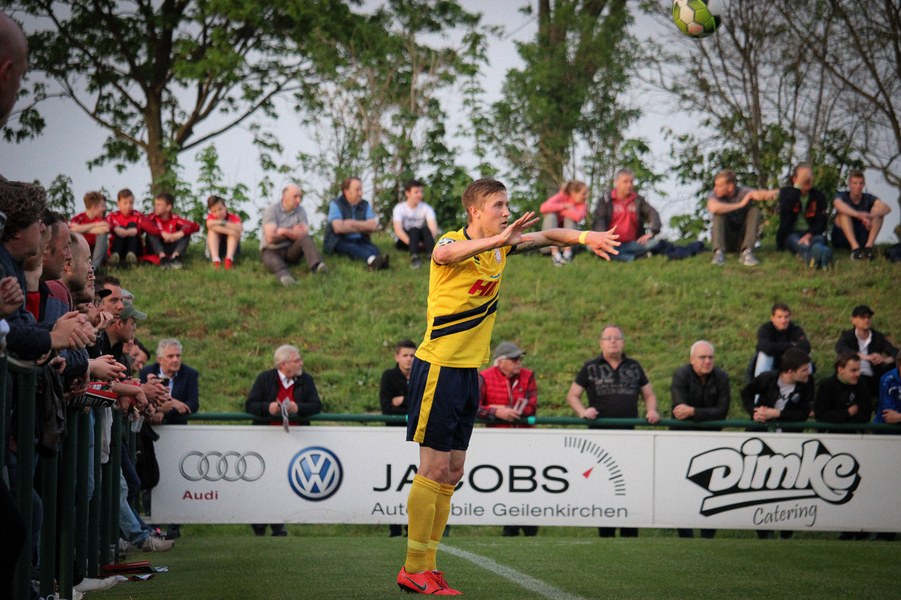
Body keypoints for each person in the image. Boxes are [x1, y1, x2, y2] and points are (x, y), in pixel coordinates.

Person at [397, 177, 619, 595]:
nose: (506, 211)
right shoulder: (453, 240)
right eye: (498, 205)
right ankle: (413, 566)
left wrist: (586, 237)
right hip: (439, 367)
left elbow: (550, 235)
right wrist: (499, 240)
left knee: (453, 471)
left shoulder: (502, 246)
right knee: (432, 468)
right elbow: (443, 254)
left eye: (506, 204)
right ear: (474, 211)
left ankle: (429, 565)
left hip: (468, 372)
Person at [566, 324, 659, 538]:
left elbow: (649, 394)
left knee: (628, 484)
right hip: (600, 438)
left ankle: (629, 531)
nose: (613, 342)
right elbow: (572, 395)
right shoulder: (590, 367)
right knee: (603, 484)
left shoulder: (634, 366)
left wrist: (652, 410)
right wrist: (583, 411)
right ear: (601, 343)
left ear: (623, 342)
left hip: (628, 437)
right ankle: (605, 532)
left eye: (617, 338)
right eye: (608, 338)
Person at [245, 344, 322, 536]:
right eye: (297, 360)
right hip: (267, 440)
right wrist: (268, 408)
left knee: (283, 483)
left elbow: (316, 405)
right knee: (265, 482)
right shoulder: (265, 379)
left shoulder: (305, 380)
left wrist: (299, 408)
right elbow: (250, 405)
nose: (301, 363)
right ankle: (260, 521)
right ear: (283, 364)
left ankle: (277, 522)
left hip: (295, 441)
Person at [741, 348, 813, 539]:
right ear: (789, 371)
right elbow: (746, 392)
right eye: (804, 370)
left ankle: (786, 533)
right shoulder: (767, 378)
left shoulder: (807, 384)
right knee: (761, 486)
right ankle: (764, 532)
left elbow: (803, 413)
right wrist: (755, 412)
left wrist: (777, 414)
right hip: (763, 441)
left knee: (790, 487)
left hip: (790, 443)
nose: (808, 373)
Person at [670, 340, 730, 539]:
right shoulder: (681, 374)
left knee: (712, 489)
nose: (707, 361)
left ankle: (708, 536)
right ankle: (685, 536)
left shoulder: (721, 377)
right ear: (692, 360)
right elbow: (680, 409)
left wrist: (694, 411)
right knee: (682, 490)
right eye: (702, 357)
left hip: (711, 443)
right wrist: (703, 413)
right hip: (682, 442)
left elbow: (722, 412)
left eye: (710, 357)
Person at [478, 340, 538, 537]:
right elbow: (474, 407)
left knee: (526, 483)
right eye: (514, 359)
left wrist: (507, 411)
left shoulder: (528, 376)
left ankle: (530, 527)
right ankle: (509, 527)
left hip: (525, 440)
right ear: (500, 361)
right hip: (498, 441)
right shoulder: (484, 377)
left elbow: (531, 406)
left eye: (519, 359)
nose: (518, 362)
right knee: (505, 483)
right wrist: (496, 412)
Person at [380, 339, 416, 537]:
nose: (409, 359)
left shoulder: (421, 376)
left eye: (412, 355)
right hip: (394, 437)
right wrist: (411, 404)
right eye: (405, 355)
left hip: (417, 437)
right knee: (395, 482)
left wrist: (402, 400)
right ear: (397, 357)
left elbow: (424, 403)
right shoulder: (389, 376)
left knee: (416, 481)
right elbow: (386, 407)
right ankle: (394, 527)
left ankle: (414, 526)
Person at [707, 169, 778, 266]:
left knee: (755, 210)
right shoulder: (714, 195)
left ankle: (747, 252)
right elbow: (713, 207)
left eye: (719, 186)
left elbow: (756, 194)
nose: (715, 189)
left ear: (730, 187)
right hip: (726, 238)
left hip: (741, 238)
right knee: (718, 213)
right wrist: (740, 205)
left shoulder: (743, 192)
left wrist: (769, 193)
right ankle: (718, 253)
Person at [260, 183, 327, 286]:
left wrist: (285, 231)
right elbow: (270, 238)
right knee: (276, 263)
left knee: (306, 239)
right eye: (295, 197)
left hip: (291, 249)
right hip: (271, 250)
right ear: (284, 197)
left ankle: (317, 266)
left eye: (300, 197)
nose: (298, 200)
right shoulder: (272, 210)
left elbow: (304, 233)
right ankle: (286, 278)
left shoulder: (301, 211)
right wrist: (293, 231)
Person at [592, 169, 661, 262]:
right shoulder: (606, 200)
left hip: (633, 243)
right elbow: (599, 220)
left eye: (631, 182)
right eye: (625, 182)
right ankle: (634, 257)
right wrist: (604, 240)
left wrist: (652, 232)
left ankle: (623, 256)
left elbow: (652, 213)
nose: (629, 185)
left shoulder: (638, 200)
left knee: (653, 243)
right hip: (611, 242)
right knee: (595, 247)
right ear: (616, 182)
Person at [324, 176, 389, 270]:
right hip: (339, 240)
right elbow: (338, 228)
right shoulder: (335, 204)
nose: (360, 193)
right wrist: (363, 226)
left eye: (361, 189)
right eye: (357, 190)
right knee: (352, 248)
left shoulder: (365, 204)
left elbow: (373, 226)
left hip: (360, 239)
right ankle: (372, 261)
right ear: (346, 191)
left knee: (373, 249)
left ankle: (377, 261)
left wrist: (351, 223)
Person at [775, 163, 831, 269]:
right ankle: (815, 258)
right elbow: (786, 209)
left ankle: (820, 254)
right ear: (794, 179)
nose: (807, 179)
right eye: (804, 176)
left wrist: (809, 235)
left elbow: (822, 222)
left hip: (812, 232)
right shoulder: (786, 193)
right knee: (799, 244)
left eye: (809, 176)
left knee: (818, 241)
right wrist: (797, 188)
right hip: (792, 233)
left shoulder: (818, 195)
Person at [835, 305, 897, 397]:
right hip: (855, 375)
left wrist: (884, 360)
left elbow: (895, 351)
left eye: (869, 317)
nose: (867, 320)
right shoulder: (848, 336)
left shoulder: (877, 337)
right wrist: (864, 357)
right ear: (853, 320)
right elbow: (840, 347)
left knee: (895, 365)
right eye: (862, 318)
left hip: (874, 375)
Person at [832, 170, 892, 260]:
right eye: (855, 183)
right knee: (843, 214)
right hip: (842, 239)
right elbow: (838, 204)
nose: (858, 186)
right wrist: (859, 215)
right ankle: (855, 250)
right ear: (849, 184)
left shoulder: (868, 198)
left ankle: (868, 249)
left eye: (860, 183)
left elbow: (886, 208)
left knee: (878, 212)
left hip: (862, 236)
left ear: (864, 184)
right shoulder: (842, 195)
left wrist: (870, 216)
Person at [814, 353, 871, 434]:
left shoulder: (862, 384)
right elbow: (820, 415)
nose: (858, 374)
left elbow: (866, 415)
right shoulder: (826, 386)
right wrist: (847, 412)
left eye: (859, 370)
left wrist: (838, 416)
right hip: (829, 436)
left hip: (855, 435)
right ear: (840, 370)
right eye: (853, 370)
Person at [752, 303, 812, 378]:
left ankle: (806, 381)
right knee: (764, 355)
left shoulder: (795, 329)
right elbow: (765, 347)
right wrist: (791, 346)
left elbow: (806, 346)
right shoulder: (765, 329)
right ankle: (760, 383)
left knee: (804, 354)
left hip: (790, 364)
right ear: (772, 318)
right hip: (772, 363)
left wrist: (779, 348)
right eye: (779, 317)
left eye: (786, 317)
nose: (783, 321)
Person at [393, 179, 440, 269]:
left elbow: (433, 229)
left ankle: (432, 256)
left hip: (421, 239)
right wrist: (413, 243)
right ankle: (414, 257)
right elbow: (398, 230)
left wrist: (425, 242)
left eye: (421, 192)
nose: (420, 195)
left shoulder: (426, 208)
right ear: (407, 193)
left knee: (425, 229)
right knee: (414, 230)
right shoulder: (399, 208)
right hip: (406, 241)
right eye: (416, 192)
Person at [144, 192, 199, 268]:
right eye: (155, 204)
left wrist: (177, 235)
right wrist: (161, 233)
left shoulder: (174, 218)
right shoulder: (152, 217)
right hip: (156, 248)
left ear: (168, 207)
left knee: (186, 233)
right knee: (150, 233)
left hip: (171, 247)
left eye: (159, 205)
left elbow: (194, 226)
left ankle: (175, 257)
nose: (155, 207)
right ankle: (163, 258)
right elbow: (144, 224)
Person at [540, 180, 588, 265]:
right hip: (549, 243)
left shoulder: (582, 204)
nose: (586, 196)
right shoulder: (560, 197)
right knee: (550, 216)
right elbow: (543, 208)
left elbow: (578, 217)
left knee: (569, 218)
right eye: (583, 194)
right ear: (573, 193)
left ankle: (567, 253)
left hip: (568, 243)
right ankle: (555, 253)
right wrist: (564, 206)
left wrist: (559, 211)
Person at [106, 188, 151, 267]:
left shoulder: (137, 215)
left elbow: (148, 226)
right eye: (125, 203)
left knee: (132, 225)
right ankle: (115, 257)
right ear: (118, 204)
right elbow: (105, 225)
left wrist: (136, 230)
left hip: (135, 247)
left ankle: (131, 256)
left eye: (131, 203)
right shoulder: (112, 216)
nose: (128, 206)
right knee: (120, 227)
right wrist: (115, 229)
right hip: (118, 246)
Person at [69, 190, 111, 272]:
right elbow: (72, 229)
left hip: (99, 253)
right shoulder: (79, 218)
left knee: (102, 235)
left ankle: (93, 268)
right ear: (94, 207)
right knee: (74, 234)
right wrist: (96, 225)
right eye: (103, 206)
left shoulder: (102, 218)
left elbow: (105, 229)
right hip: (83, 252)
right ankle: (78, 267)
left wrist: (81, 229)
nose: (105, 208)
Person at [205, 195, 242, 270]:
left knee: (233, 234)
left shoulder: (232, 217)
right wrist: (229, 231)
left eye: (220, 209)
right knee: (212, 231)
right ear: (211, 212)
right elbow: (209, 224)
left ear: (225, 207)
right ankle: (215, 260)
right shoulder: (211, 218)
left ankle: (229, 259)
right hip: (216, 246)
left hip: (232, 246)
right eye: (214, 211)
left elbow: (239, 228)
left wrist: (224, 224)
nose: (218, 213)